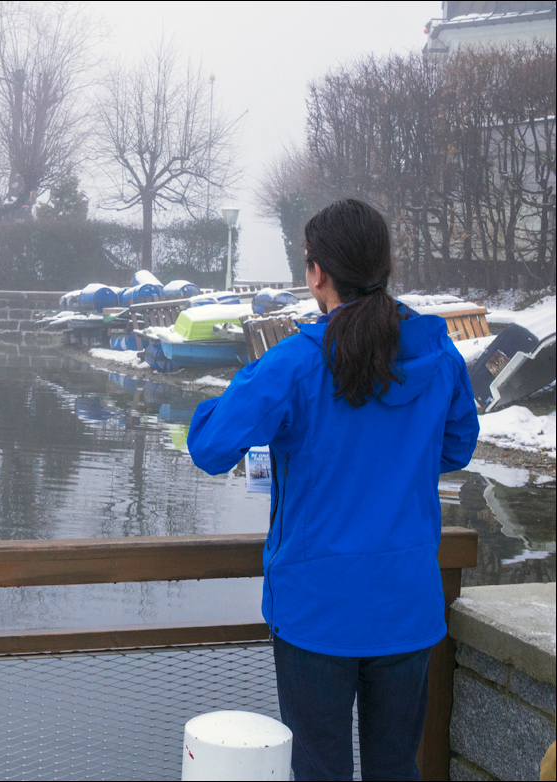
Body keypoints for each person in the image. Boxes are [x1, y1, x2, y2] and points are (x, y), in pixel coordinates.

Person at [187, 199, 479, 781]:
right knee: (396, 767)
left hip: (316, 608)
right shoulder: (438, 353)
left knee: (319, 771)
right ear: (383, 267)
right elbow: (455, 448)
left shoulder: (296, 362)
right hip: (406, 603)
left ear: (317, 273)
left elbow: (211, 447)